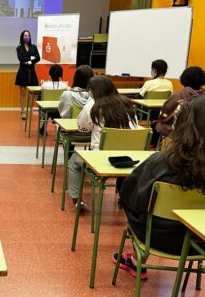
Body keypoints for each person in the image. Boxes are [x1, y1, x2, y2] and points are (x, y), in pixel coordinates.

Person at [115, 96, 205, 279]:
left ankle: (135, 259)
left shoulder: (160, 162)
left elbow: (129, 195)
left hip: (155, 238)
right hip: (199, 241)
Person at [68, 76, 139, 207]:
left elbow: (82, 127)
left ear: (92, 91)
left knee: (73, 161)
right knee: (120, 149)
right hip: (129, 157)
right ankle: (123, 196)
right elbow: (135, 126)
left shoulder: (92, 105)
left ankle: (77, 199)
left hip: (102, 158)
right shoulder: (128, 104)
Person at [155, 66, 205, 138]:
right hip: (201, 135)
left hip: (179, 135)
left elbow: (163, 116)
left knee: (159, 124)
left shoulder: (177, 96)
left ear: (184, 79)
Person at [15, 30, 41, 120]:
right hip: (22, 71)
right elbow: (21, 58)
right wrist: (30, 58)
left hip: (32, 72)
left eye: (28, 35)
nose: (27, 36)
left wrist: (29, 61)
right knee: (22, 92)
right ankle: (23, 111)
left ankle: (35, 109)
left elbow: (38, 58)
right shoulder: (19, 48)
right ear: (22, 37)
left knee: (35, 93)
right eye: (25, 35)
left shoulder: (34, 47)